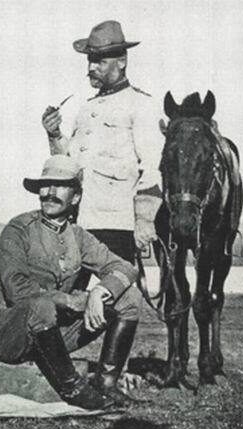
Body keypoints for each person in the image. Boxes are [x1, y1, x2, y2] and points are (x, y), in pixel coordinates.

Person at [0, 156, 141, 409]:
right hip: (10, 333)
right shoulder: (19, 229)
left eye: (60, 186)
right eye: (45, 186)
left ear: (76, 198)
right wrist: (70, 300)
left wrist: (100, 292)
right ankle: (73, 389)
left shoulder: (78, 236)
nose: (49, 193)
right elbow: (17, 289)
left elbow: (124, 267)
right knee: (41, 305)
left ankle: (106, 383)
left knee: (130, 298)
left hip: (54, 333)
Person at [41, 20, 162, 290]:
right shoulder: (86, 109)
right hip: (77, 223)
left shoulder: (141, 105)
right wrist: (54, 134)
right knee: (65, 300)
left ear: (121, 61)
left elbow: (153, 167)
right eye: (89, 61)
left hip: (117, 226)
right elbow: (70, 165)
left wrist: (144, 219)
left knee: (119, 303)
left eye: (99, 61)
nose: (91, 68)